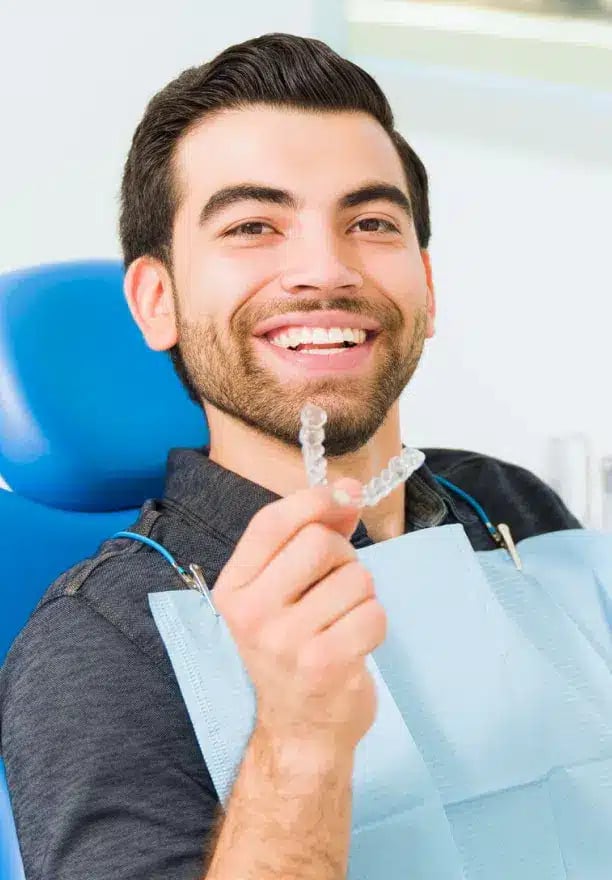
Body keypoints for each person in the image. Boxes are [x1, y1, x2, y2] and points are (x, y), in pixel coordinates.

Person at [0, 33, 581, 880]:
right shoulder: (100, 643)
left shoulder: (511, 509)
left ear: (426, 285)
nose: (324, 269)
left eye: (370, 222)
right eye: (253, 226)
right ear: (157, 302)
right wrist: (300, 740)